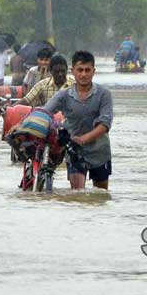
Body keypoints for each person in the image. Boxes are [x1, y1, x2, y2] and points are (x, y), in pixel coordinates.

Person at [42, 51, 113, 190]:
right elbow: (45, 112)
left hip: (100, 152)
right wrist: (23, 124)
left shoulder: (104, 94)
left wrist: (83, 139)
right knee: (77, 194)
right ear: (73, 71)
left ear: (94, 71)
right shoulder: (64, 95)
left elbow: (104, 124)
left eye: (87, 70)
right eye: (80, 70)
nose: (83, 74)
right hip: (74, 151)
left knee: (101, 194)